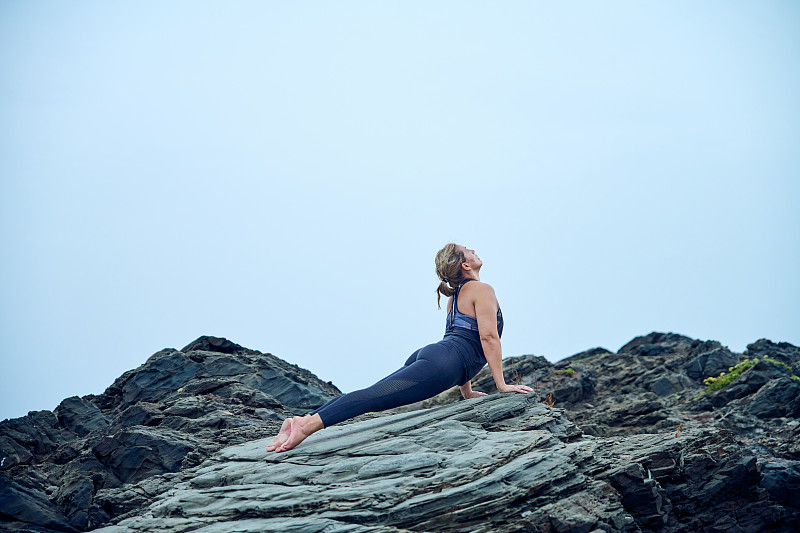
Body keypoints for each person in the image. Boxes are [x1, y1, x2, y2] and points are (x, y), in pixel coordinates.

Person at [266, 243, 533, 453]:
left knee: (371, 394)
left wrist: (467, 390)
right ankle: (307, 425)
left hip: (437, 356)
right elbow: (487, 338)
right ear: (465, 264)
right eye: (468, 249)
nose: (474, 250)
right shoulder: (482, 289)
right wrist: (501, 385)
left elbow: (461, 340)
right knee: (374, 398)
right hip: (442, 363)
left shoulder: (457, 295)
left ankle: (301, 421)